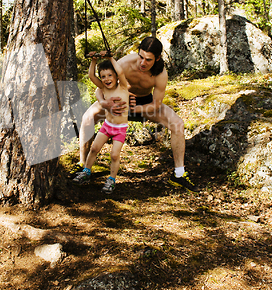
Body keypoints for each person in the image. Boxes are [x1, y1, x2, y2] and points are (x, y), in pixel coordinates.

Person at [74, 37, 200, 192]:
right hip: (117, 101)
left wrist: (133, 110)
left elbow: (156, 104)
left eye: (148, 60)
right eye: (141, 57)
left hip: (144, 104)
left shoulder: (160, 74)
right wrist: (105, 102)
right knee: (87, 118)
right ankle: (83, 164)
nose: (142, 63)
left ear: (157, 58)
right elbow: (100, 87)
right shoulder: (125, 63)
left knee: (177, 124)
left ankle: (179, 174)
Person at [73, 51, 129, 194]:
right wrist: (93, 60)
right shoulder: (104, 88)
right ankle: (86, 172)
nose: (106, 79)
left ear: (116, 76)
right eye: (103, 76)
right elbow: (91, 76)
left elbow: (121, 72)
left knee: (115, 155)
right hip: (107, 126)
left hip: (120, 128)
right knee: (93, 149)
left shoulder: (122, 86)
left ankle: (111, 180)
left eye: (110, 75)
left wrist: (110, 58)